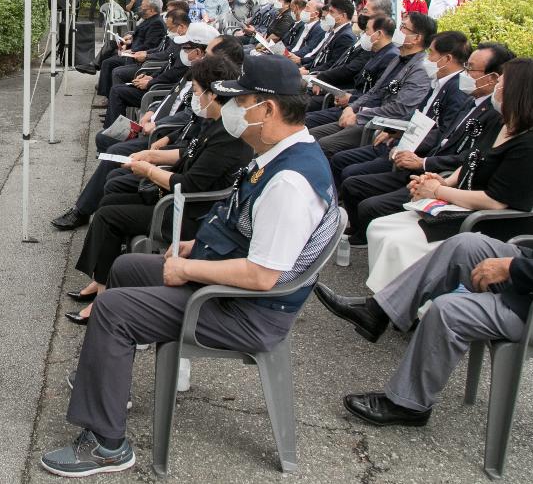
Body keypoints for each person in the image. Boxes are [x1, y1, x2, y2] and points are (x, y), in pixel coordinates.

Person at [40, 55, 340, 477]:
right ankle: (109, 383)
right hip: (228, 287)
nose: (232, 110)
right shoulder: (279, 153)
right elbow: (246, 224)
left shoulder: (290, 182)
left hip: (245, 310)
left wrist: (188, 270)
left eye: (243, 102)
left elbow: (262, 275)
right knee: (127, 267)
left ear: (268, 108)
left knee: (112, 310)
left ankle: (108, 447)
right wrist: (195, 243)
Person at [315, 85, 533, 429]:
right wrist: (517, 261)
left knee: (450, 311)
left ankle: (409, 404)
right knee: (464, 245)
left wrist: (514, 267)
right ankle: (377, 312)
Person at [65, 54, 253, 324]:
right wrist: (151, 157)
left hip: (190, 213)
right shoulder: (216, 122)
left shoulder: (228, 134)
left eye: (198, 93)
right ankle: (101, 278)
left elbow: (189, 185)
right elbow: (187, 152)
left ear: (213, 94)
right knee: (111, 198)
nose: (196, 100)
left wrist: (149, 172)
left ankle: (103, 297)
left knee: (109, 215)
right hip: (179, 199)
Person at [364, 58, 533, 292]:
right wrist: (441, 181)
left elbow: (496, 202)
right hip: (461, 206)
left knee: (399, 242)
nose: (497, 87)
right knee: (380, 227)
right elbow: (472, 160)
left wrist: (438, 191)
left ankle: (391, 306)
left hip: (487, 222)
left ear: (520, 91)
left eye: (503, 83)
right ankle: (390, 300)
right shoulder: (501, 124)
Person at [340, 42, 511, 245]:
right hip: (423, 162)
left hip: (439, 173)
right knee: (352, 182)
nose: (464, 74)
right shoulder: (470, 101)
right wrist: (401, 135)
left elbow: (469, 158)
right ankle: (360, 234)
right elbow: (441, 133)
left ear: (492, 79)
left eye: (470, 69)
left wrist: (424, 165)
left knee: (370, 204)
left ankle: (366, 240)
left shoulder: (495, 115)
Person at [308, 13, 436, 156]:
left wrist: (360, 115)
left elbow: (400, 109)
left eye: (403, 27)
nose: (398, 31)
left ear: (417, 38)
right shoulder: (399, 59)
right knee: (310, 134)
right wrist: (352, 108)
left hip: (381, 125)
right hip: (366, 115)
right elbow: (375, 91)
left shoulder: (420, 68)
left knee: (324, 145)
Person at [94, 0, 165, 100]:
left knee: (110, 64)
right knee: (109, 55)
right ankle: (106, 89)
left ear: (151, 9)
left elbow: (149, 45)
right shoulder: (148, 20)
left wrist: (130, 51)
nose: (140, 8)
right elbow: (140, 36)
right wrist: (129, 42)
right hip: (132, 53)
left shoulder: (157, 23)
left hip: (138, 58)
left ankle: (109, 95)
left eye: (142, 6)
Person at [296, 0, 356, 71]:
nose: (328, 15)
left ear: (343, 16)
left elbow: (332, 65)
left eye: (331, 12)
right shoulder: (335, 32)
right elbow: (319, 58)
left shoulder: (346, 37)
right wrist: (305, 67)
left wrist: (308, 72)